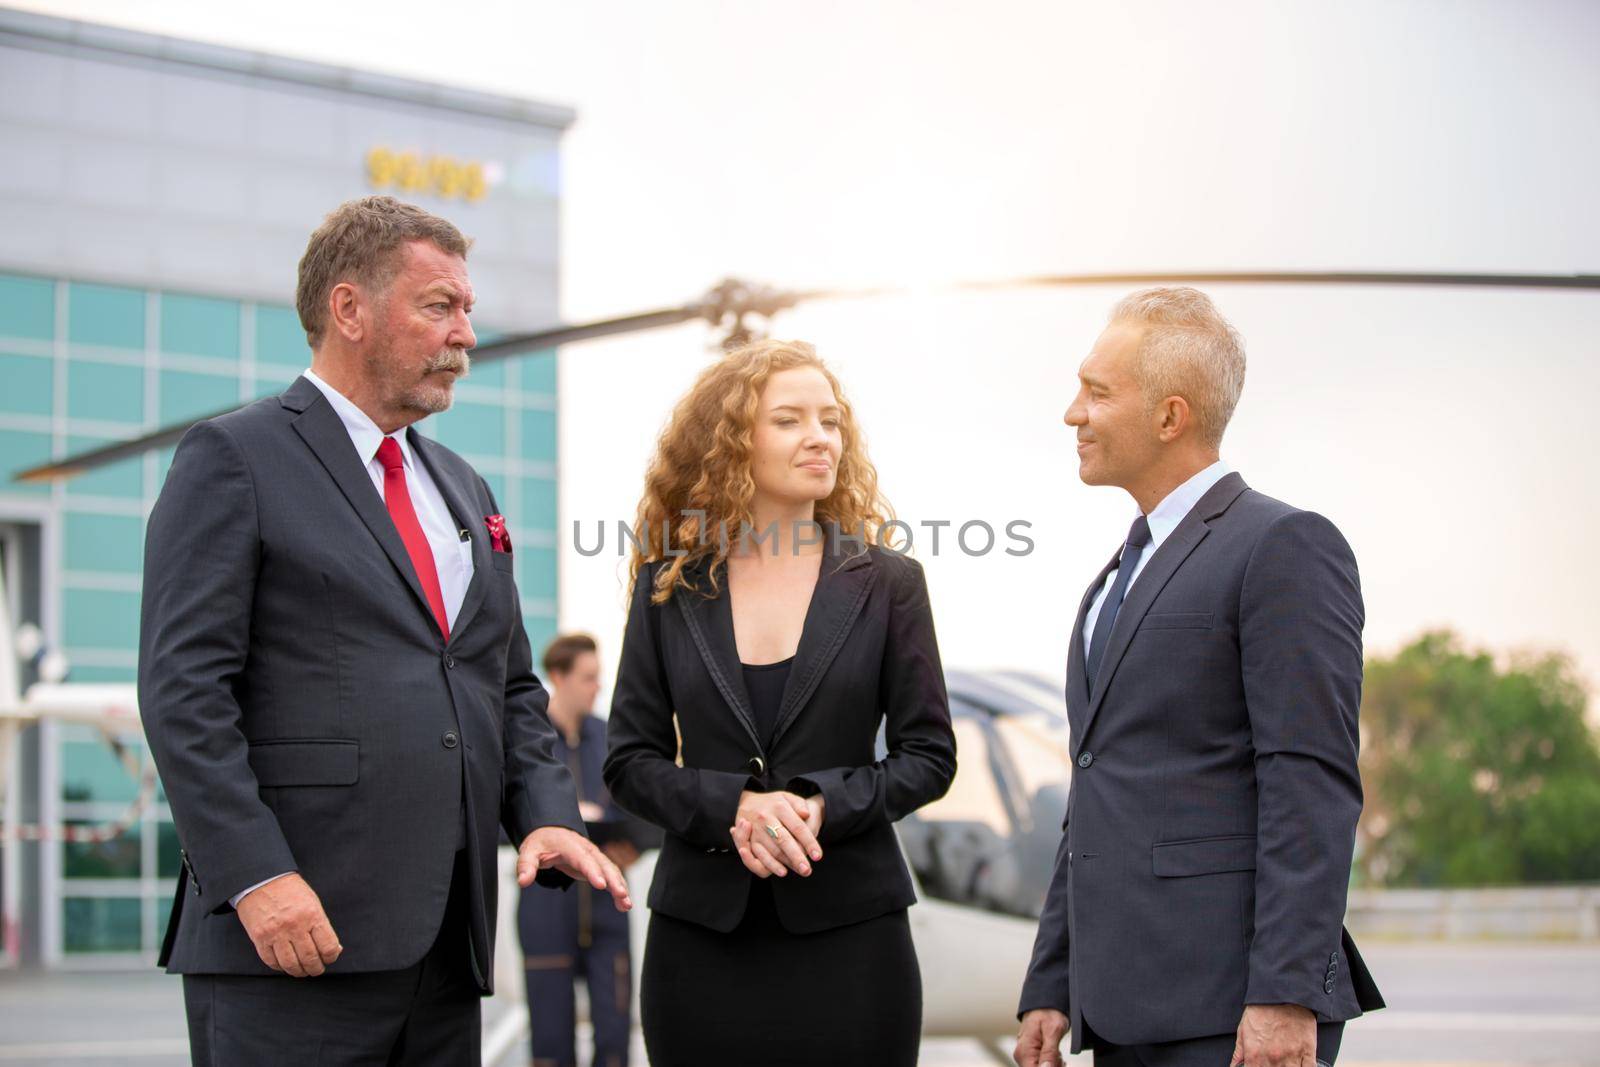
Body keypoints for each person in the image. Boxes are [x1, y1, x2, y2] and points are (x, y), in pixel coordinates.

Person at [138, 195, 629, 1067]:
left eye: (467, 310)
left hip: (445, 952)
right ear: (350, 310)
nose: (466, 335)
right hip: (290, 942)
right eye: (440, 306)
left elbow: (507, 685)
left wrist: (548, 814)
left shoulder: (464, 486)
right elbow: (184, 693)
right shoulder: (234, 457)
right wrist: (257, 875)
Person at [1013, 288, 1385, 1067]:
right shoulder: (1116, 574)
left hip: (1230, 1006)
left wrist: (1285, 994)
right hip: (1121, 1005)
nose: (1072, 412)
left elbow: (1309, 780)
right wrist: (1053, 979)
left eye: (1097, 391)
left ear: (1170, 416)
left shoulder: (1283, 545)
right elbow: (1097, 788)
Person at [602, 339, 957, 1067]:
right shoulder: (669, 588)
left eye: (830, 420)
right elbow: (629, 762)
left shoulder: (890, 583)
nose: (820, 437)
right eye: (790, 420)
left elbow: (929, 756)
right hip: (701, 942)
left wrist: (820, 804)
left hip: (854, 940)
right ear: (733, 442)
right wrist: (733, 805)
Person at [519, 633, 659, 1067]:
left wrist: (634, 844)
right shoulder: (530, 745)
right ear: (558, 677)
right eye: (588, 678)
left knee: (615, 1037)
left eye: (599, 678)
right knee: (550, 1043)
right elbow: (504, 816)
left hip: (608, 907)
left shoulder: (611, 741)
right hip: (547, 907)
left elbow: (645, 813)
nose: (597, 687)